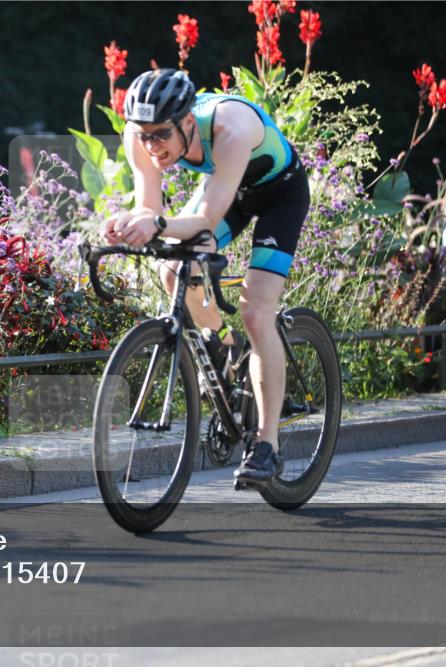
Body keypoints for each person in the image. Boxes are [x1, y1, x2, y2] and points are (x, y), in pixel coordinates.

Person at [99, 68, 310, 487]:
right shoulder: (138, 136)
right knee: (173, 270)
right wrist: (126, 223)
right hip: (229, 191)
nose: (151, 145)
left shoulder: (231, 128)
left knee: (256, 310)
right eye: (143, 134)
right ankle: (227, 351)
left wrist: (157, 224)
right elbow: (149, 207)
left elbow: (206, 220)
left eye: (161, 134)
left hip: (279, 196)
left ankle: (266, 445)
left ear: (188, 123)